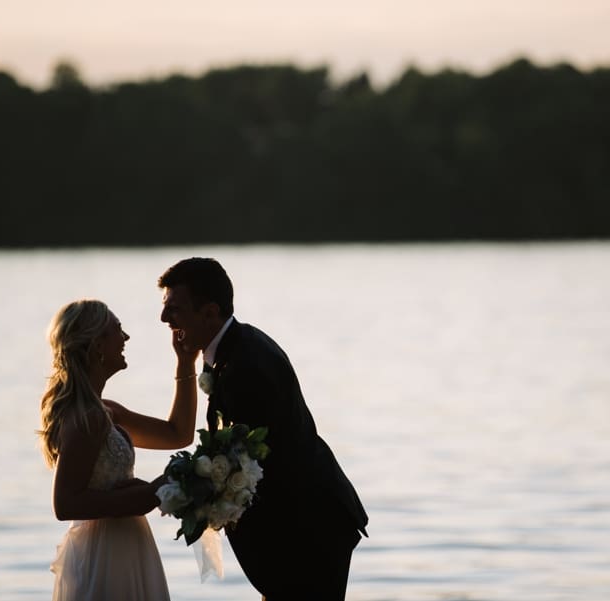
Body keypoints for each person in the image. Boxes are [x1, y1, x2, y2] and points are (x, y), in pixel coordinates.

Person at [158, 257, 368, 601]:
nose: (164, 319)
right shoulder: (237, 347)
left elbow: (253, 463)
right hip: (301, 530)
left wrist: (187, 486)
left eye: (174, 309)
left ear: (209, 313)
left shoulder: (245, 366)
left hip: (306, 534)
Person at [38, 299, 199, 601]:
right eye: (118, 331)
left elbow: (178, 434)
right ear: (97, 344)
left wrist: (185, 364)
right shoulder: (89, 418)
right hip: (105, 555)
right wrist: (150, 493)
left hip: (125, 547)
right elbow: (65, 503)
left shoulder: (107, 412)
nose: (126, 339)